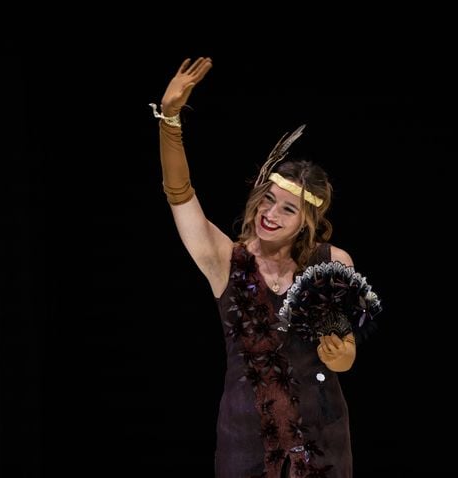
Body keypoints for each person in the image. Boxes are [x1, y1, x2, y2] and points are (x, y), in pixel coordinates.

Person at [151, 57, 367, 478]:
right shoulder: (223, 259)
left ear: (309, 220)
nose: (271, 213)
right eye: (268, 199)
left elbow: (343, 355)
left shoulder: (331, 264)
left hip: (322, 439)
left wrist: (341, 354)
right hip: (246, 438)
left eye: (288, 209)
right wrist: (170, 119)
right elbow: (179, 194)